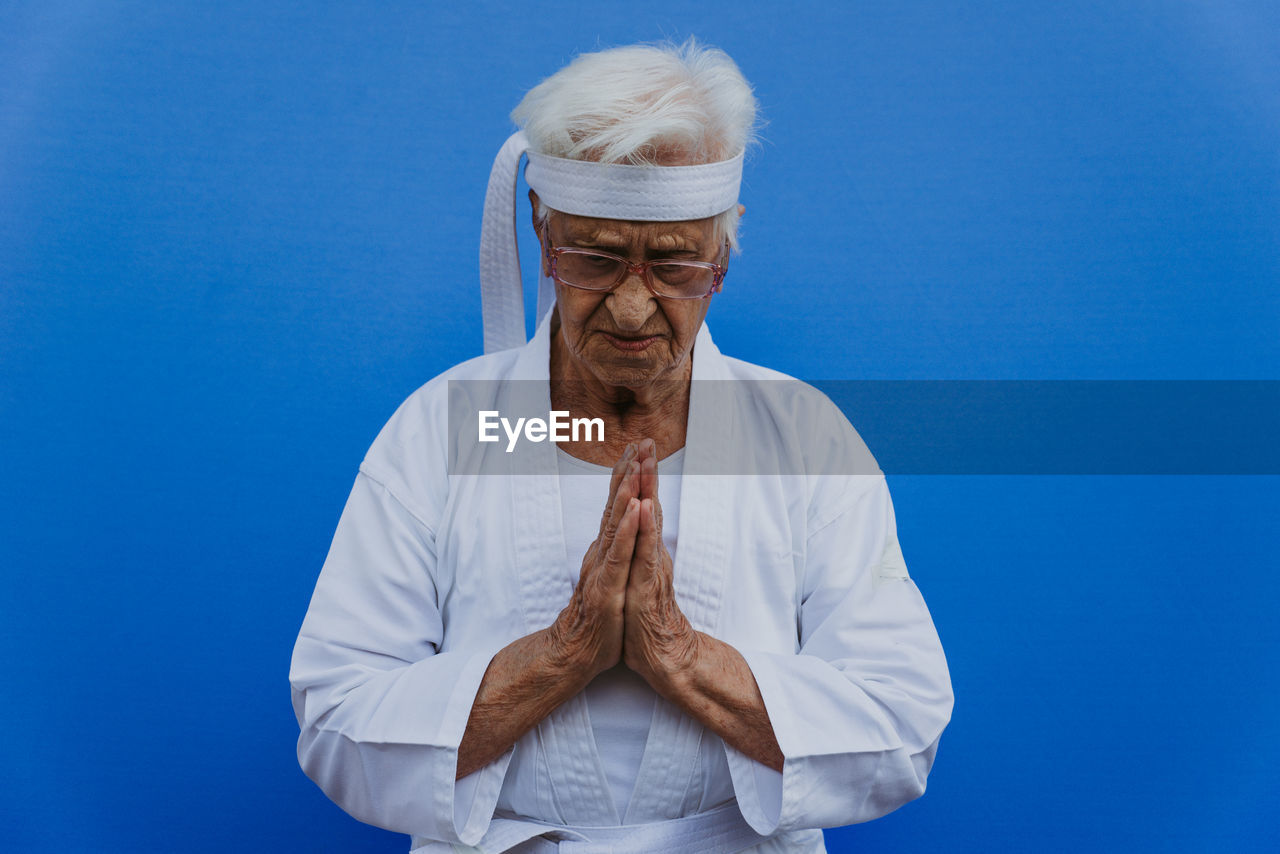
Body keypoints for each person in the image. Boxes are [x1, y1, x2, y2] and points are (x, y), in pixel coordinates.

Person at [290, 39, 952, 854]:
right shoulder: (451, 431)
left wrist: (681, 655)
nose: (634, 309)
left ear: (725, 248)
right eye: (595, 259)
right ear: (541, 229)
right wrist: (563, 655)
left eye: (674, 265)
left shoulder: (801, 438)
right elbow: (334, 721)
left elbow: (901, 726)